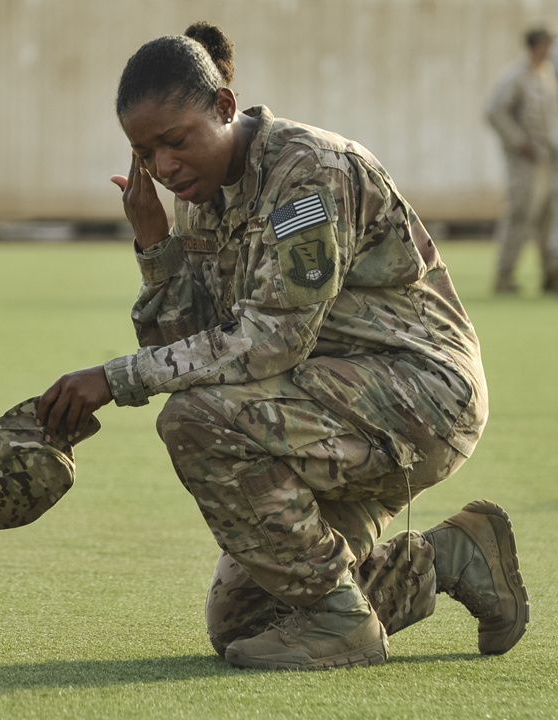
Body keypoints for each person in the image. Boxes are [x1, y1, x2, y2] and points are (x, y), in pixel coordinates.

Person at [34, 22, 529, 670]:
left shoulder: (309, 174)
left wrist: (115, 378)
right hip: (322, 406)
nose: (163, 167)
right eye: (145, 152)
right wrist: (157, 251)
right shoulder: (198, 201)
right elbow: (199, 356)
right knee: (243, 622)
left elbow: (273, 340)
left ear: (224, 108)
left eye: (175, 142)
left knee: (193, 422)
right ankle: (451, 558)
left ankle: (339, 624)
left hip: (419, 392)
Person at [486, 25, 558, 293]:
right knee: (520, 215)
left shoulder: (547, 75)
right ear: (538, 45)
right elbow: (494, 112)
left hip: (546, 158)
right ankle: (504, 277)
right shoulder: (516, 77)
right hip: (524, 161)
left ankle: (551, 276)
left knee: (548, 218)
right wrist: (519, 142)